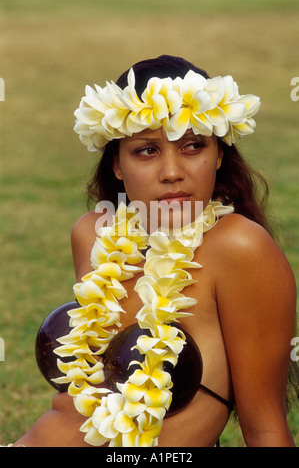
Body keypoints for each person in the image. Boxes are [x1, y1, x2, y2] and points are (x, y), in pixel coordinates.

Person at [14, 55, 298, 447]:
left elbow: (265, 428)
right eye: (147, 150)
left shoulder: (239, 248)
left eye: (193, 145)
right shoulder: (92, 234)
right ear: (116, 163)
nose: (171, 172)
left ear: (218, 154)